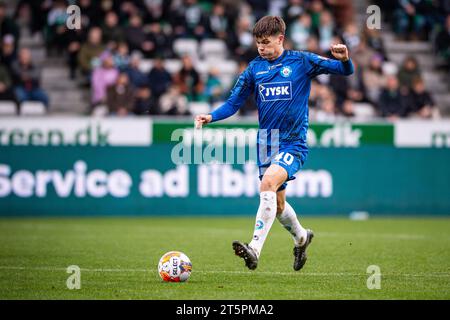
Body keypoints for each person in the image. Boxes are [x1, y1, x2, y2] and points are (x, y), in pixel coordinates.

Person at [194, 16, 354, 271]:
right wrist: (211, 116)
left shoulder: (302, 61)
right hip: (267, 143)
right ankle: (302, 238)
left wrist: (344, 58)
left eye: (266, 43)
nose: (261, 48)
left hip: (293, 142)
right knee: (277, 206)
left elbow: (345, 71)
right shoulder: (254, 69)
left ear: (280, 39)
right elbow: (233, 103)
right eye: (258, 43)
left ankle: (254, 249)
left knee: (267, 183)